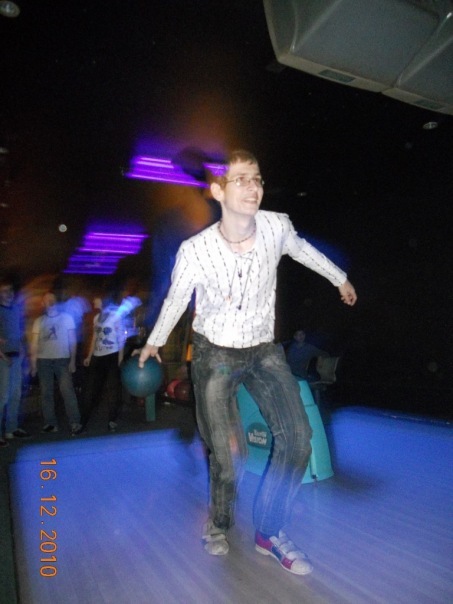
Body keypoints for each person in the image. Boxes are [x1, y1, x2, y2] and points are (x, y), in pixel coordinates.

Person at [137, 150, 357, 575]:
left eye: (256, 178)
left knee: (298, 438)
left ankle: (269, 532)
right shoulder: (195, 250)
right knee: (224, 454)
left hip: (262, 351)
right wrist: (155, 341)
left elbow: (304, 251)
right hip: (214, 354)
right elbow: (176, 299)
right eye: (240, 179)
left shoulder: (277, 226)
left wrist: (339, 278)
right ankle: (219, 523)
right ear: (218, 191)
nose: (253, 186)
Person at [30, 292, 82, 436]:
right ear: (43, 303)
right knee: (46, 393)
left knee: (67, 391)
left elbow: (72, 341)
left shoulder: (67, 318)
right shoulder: (39, 321)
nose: (50, 301)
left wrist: (72, 360)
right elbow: (34, 344)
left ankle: (75, 422)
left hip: (62, 360)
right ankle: (50, 423)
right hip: (43, 361)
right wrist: (33, 364)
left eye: (52, 298)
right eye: (47, 299)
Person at [79, 296, 126, 433]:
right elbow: (95, 337)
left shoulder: (115, 317)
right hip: (97, 356)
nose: (94, 301)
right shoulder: (96, 318)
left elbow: (121, 337)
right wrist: (89, 356)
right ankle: (83, 421)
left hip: (111, 355)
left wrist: (120, 358)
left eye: (96, 299)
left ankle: (112, 420)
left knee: (112, 389)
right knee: (90, 389)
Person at [0, 277, 31, 446]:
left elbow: (19, 331)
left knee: (15, 394)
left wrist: (23, 350)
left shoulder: (16, 310)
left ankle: (11, 429)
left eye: (10, 290)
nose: (8, 293)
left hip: (17, 356)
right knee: (3, 396)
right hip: (3, 358)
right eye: (4, 291)